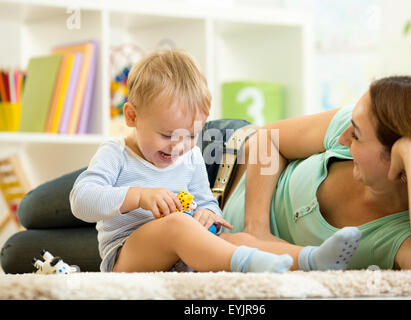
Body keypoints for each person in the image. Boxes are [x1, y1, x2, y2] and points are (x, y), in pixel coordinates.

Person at [69, 49, 361, 273]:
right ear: (132, 116)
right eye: (167, 134)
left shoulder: (191, 155)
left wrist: (208, 214)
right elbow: (81, 200)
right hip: (126, 254)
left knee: (236, 240)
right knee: (176, 226)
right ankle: (247, 267)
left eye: (190, 135)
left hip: (183, 252)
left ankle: (310, 259)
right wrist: (137, 196)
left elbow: (204, 200)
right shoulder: (115, 154)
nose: (179, 146)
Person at [219, 75, 411, 276]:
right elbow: (266, 138)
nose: (343, 138)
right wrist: (257, 231)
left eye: (357, 136)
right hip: (220, 157)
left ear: (398, 162)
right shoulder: (354, 125)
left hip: (209, 234)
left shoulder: (401, 234)